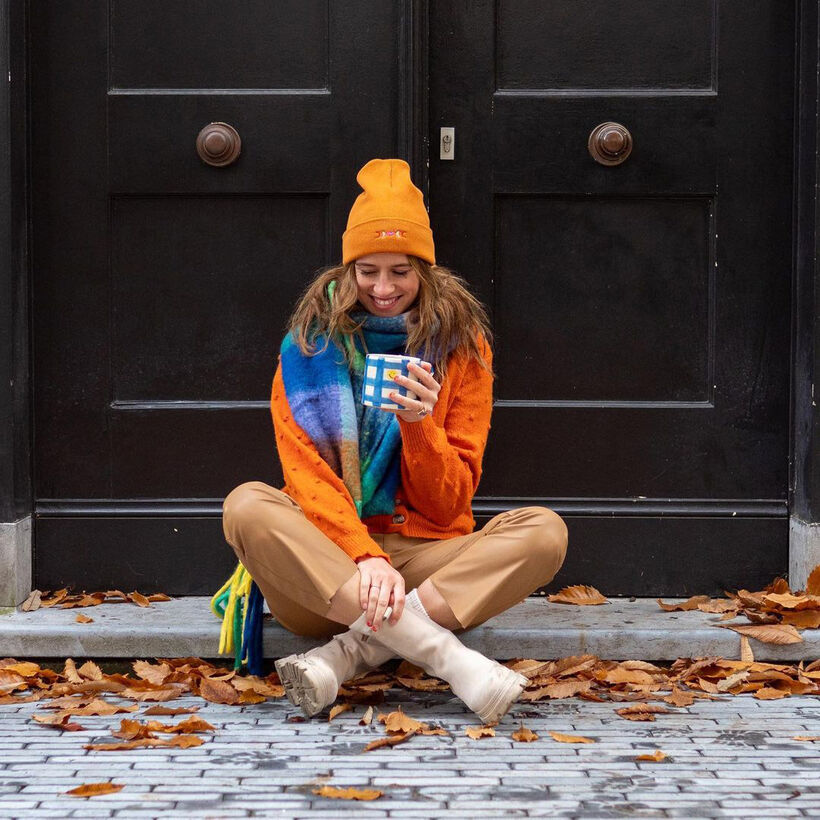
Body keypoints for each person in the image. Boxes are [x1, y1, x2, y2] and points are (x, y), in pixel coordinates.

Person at [221, 158, 569, 724]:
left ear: (424, 272)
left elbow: (449, 503)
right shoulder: (307, 347)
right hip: (328, 565)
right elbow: (306, 476)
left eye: (400, 272)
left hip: (424, 558)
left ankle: (347, 653)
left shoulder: (463, 348)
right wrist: (362, 554)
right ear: (348, 268)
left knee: (543, 532)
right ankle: (448, 659)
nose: (383, 289)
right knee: (247, 504)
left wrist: (418, 423)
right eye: (368, 270)